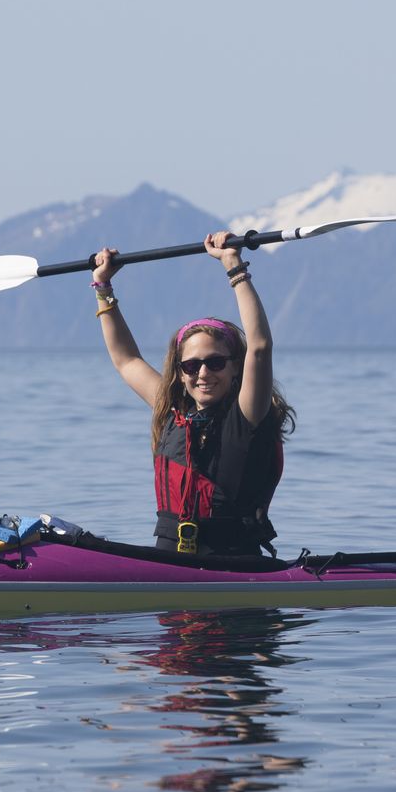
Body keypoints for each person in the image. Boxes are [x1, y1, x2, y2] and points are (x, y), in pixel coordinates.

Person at [91, 232, 296, 556]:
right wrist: (103, 287)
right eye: (191, 365)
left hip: (234, 566)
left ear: (235, 368)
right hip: (170, 562)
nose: (203, 373)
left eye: (215, 363)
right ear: (180, 370)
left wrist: (234, 266)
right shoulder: (172, 409)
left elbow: (259, 347)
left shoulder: (246, 417)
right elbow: (126, 359)